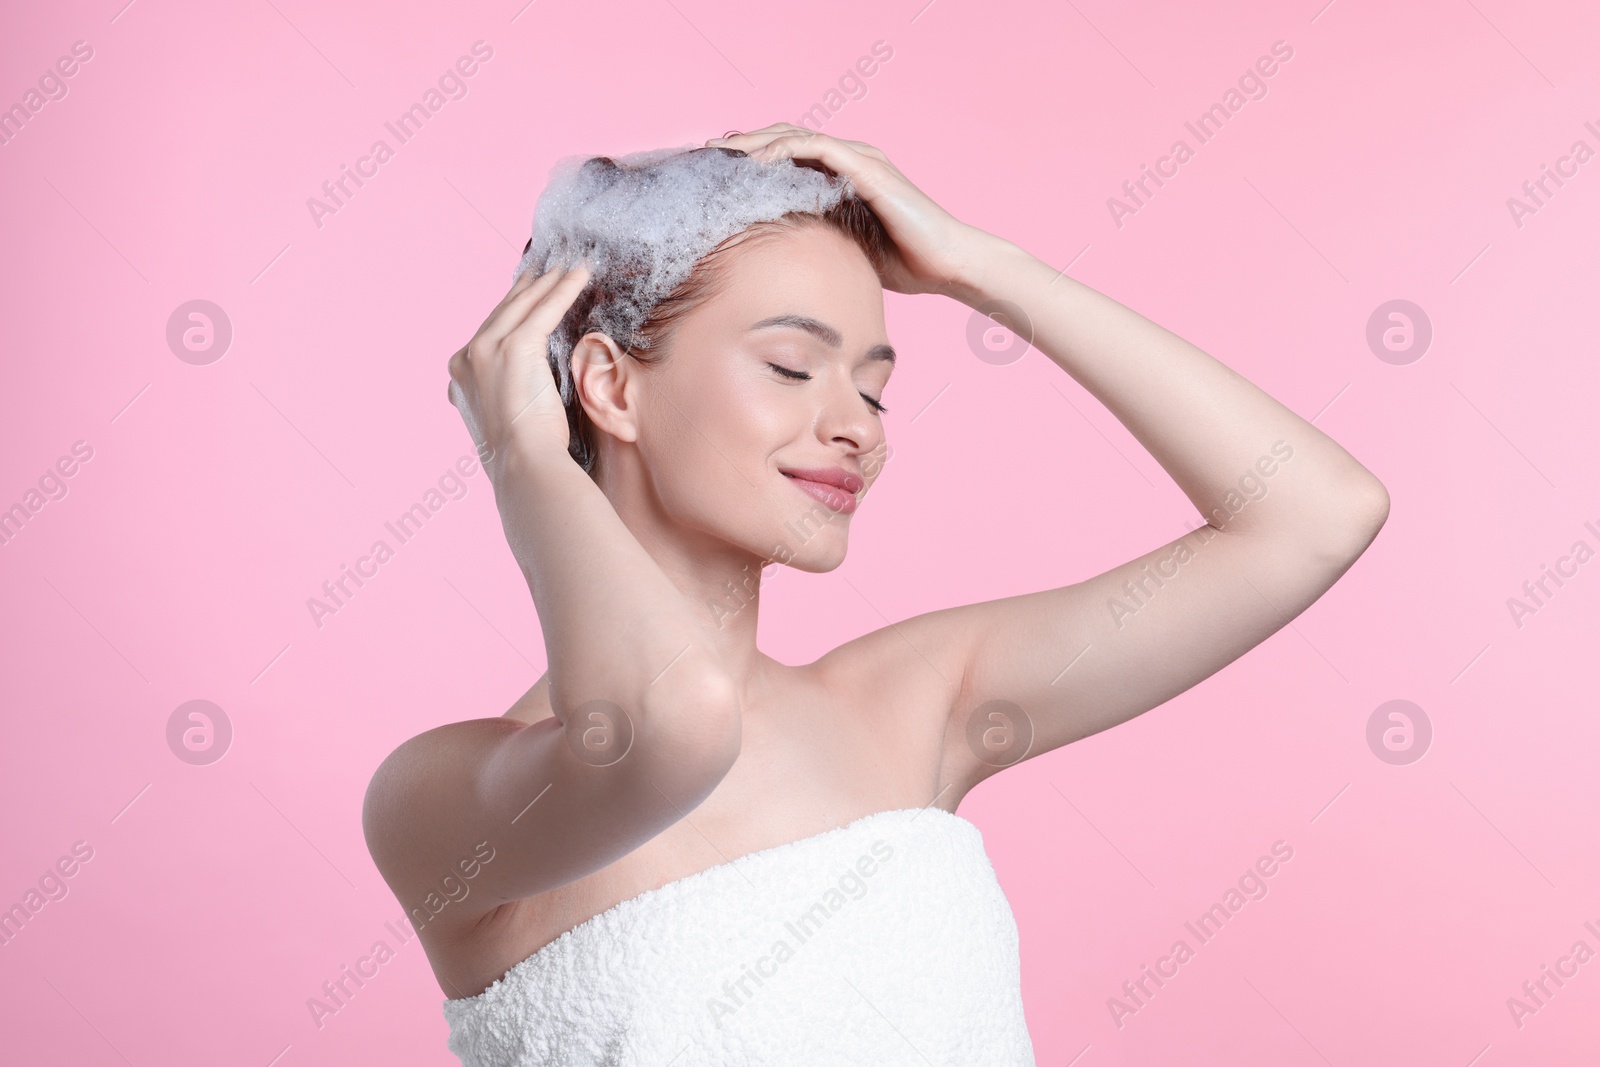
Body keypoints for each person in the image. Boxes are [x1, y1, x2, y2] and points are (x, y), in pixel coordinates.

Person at [362, 123, 1390, 1065]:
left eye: (874, 382)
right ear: (612, 385)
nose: (859, 424)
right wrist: (522, 457)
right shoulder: (441, 802)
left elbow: (1310, 513)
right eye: (792, 364)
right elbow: (669, 723)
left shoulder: (911, 705)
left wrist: (980, 267)